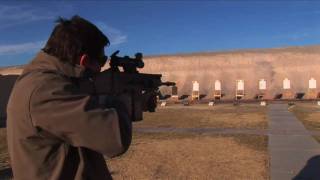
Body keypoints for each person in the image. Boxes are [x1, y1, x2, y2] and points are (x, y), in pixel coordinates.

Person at [7, 15, 132, 180]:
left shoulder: (44, 80)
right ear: (84, 60)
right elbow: (116, 139)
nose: (101, 69)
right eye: (101, 61)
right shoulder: (46, 89)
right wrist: (121, 101)